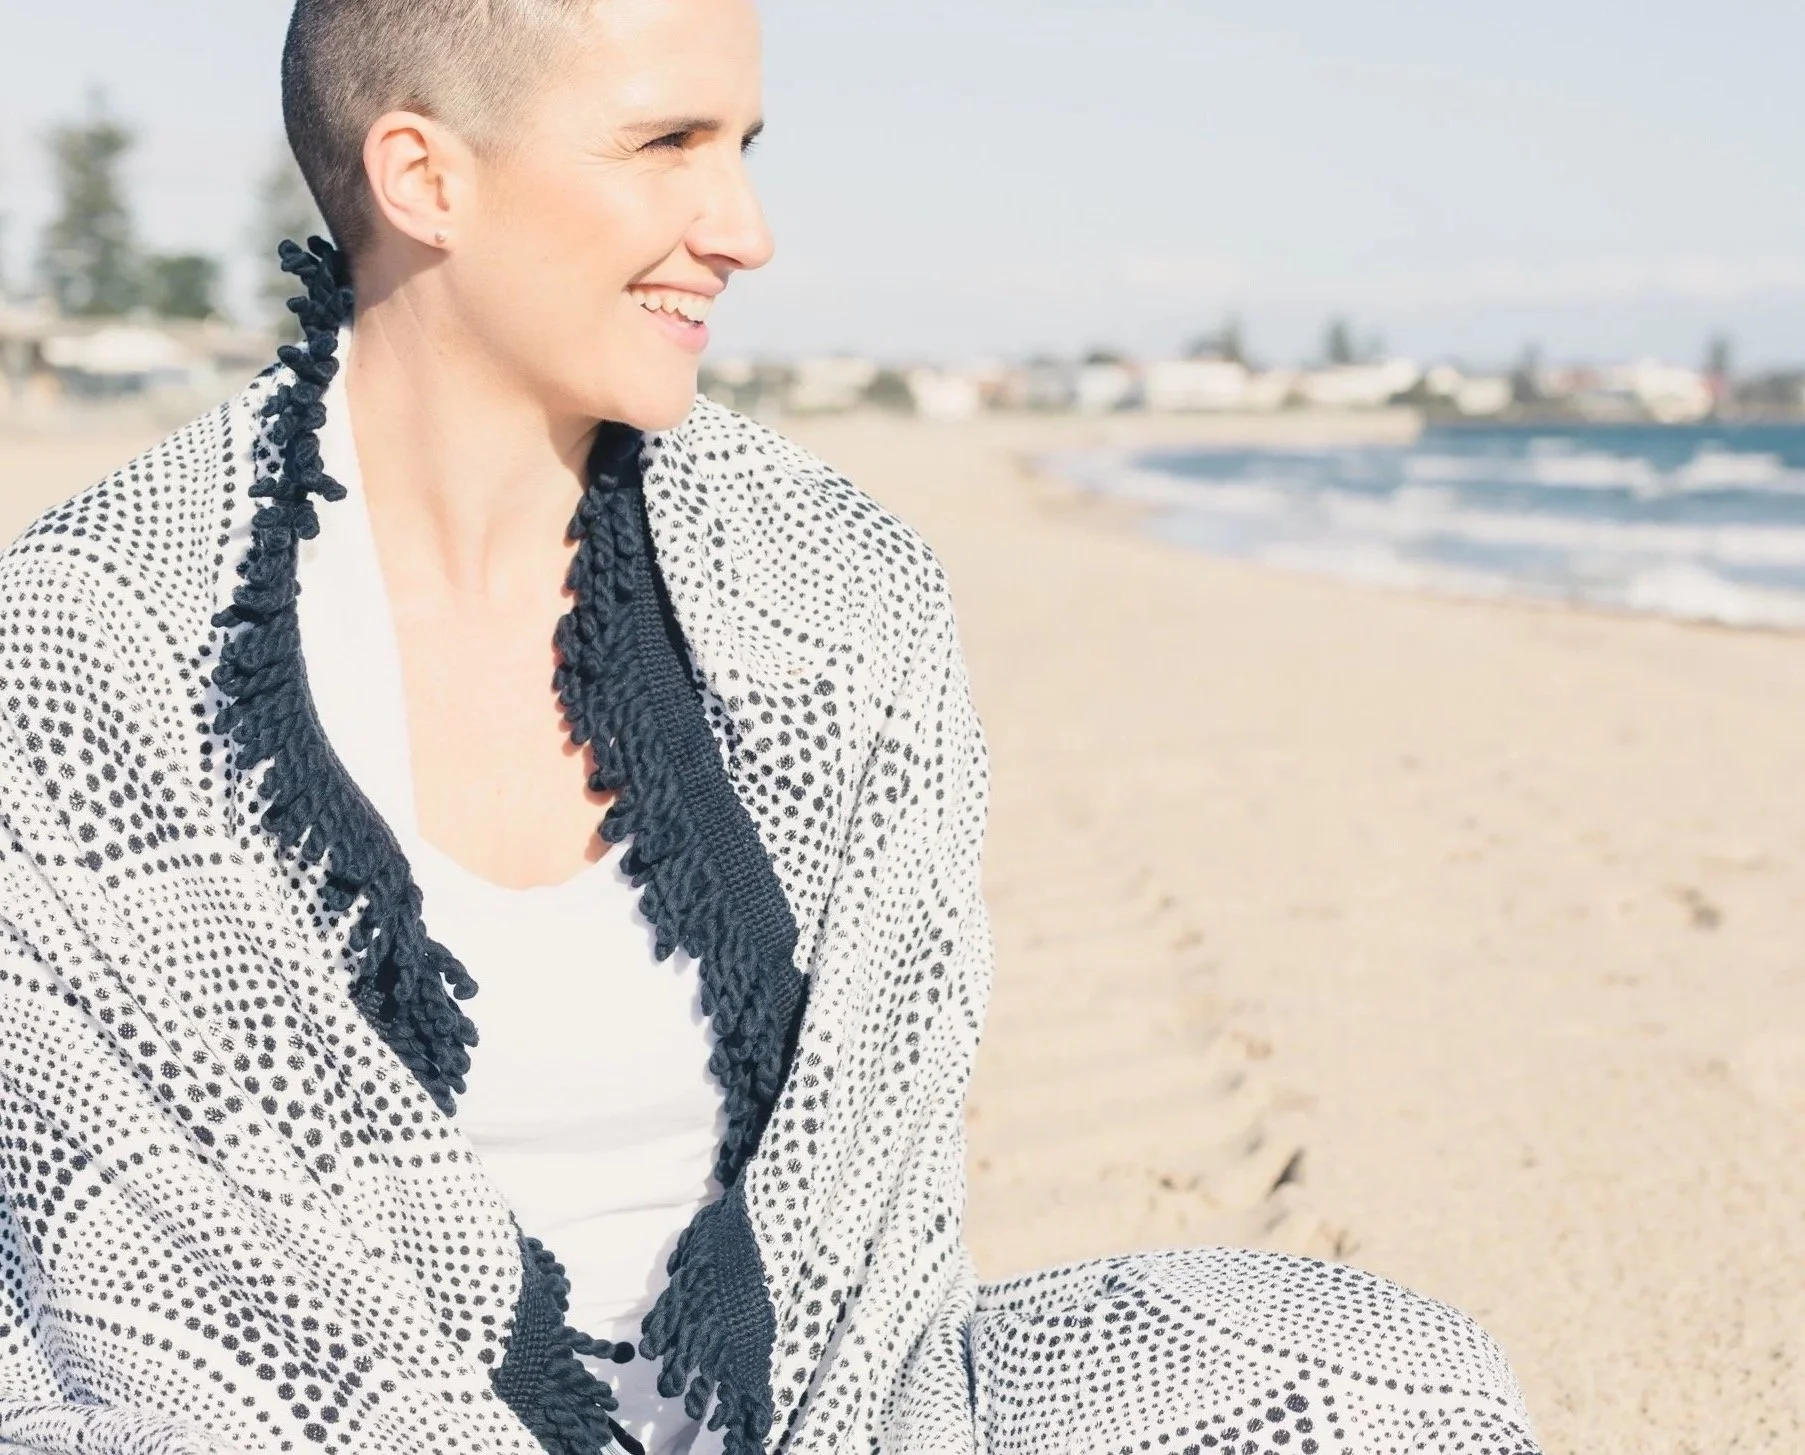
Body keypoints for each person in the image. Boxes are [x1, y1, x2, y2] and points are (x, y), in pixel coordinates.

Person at [0, 2, 1541, 1452]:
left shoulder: (840, 596)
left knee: (1388, 1384)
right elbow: (147, 1295)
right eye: (670, 144)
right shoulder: (87, 654)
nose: (744, 229)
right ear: (423, 176)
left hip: (815, 1422)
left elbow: (876, 1264)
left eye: (746, 148)